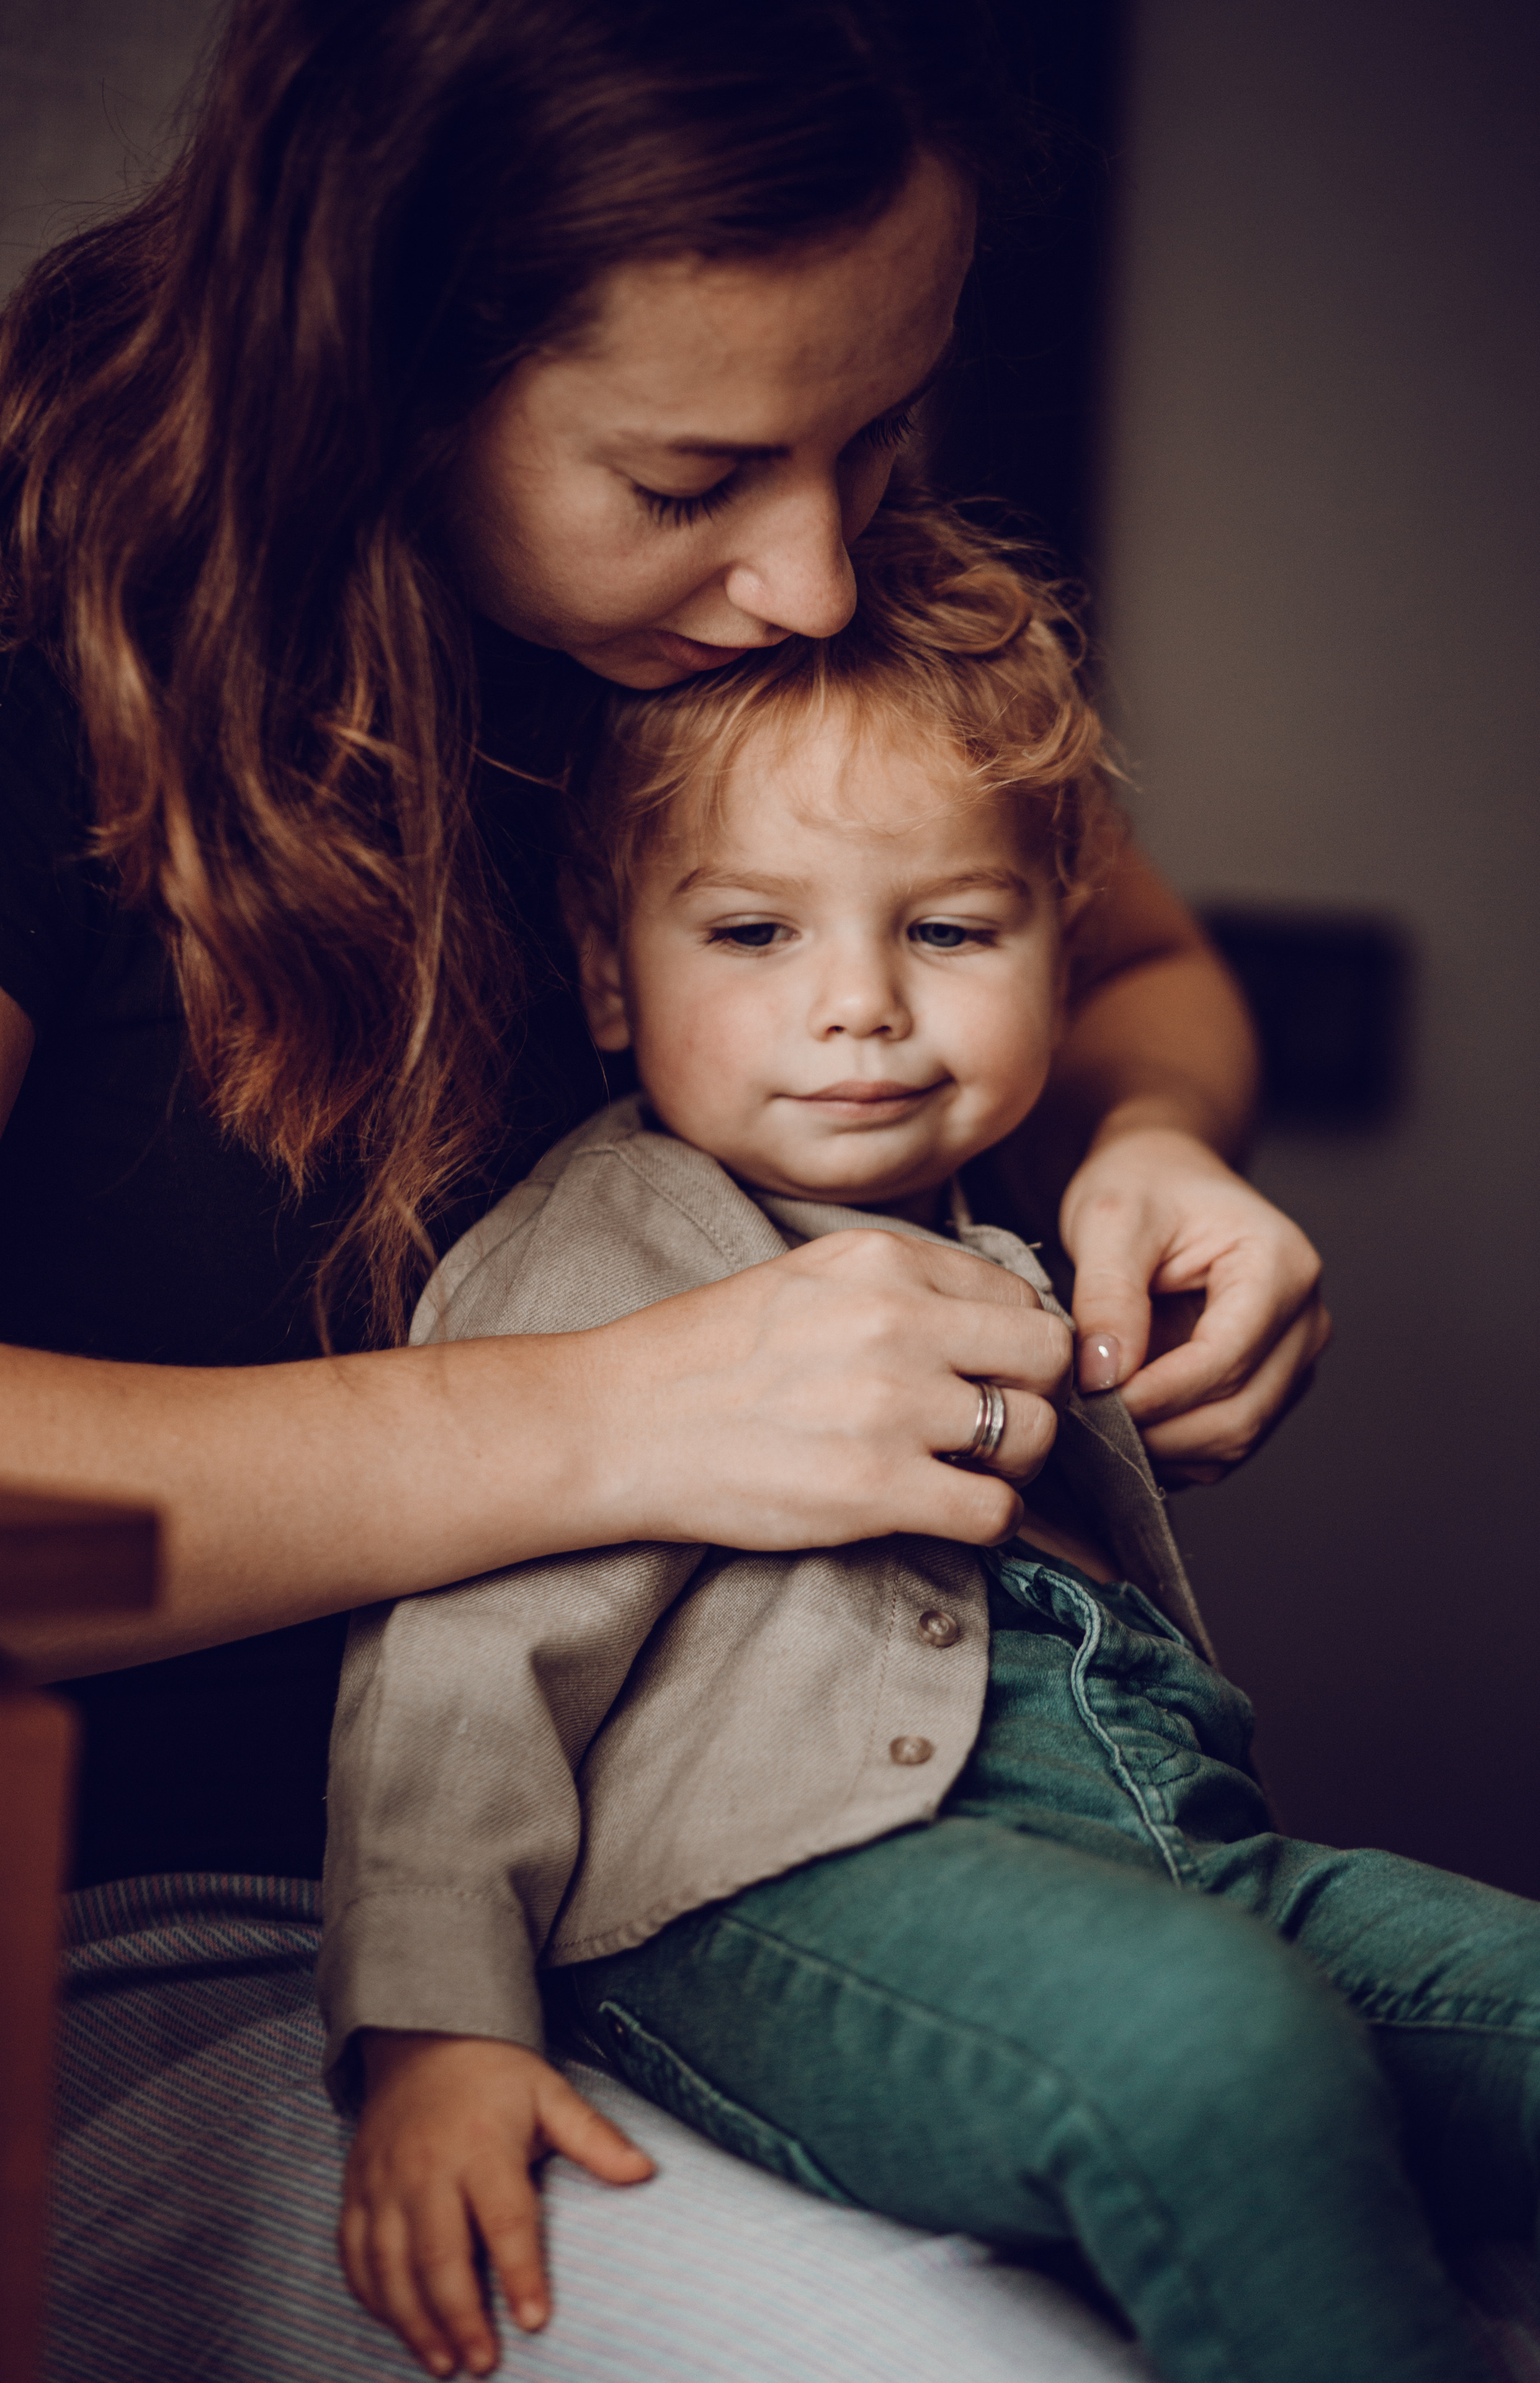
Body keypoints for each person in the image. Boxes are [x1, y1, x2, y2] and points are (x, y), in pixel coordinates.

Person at [0, 1, 1324, 2373]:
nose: (809, 576)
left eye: (880, 432)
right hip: (146, 1939)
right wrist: (606, 1421)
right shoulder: (3, 640)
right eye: (692, 480)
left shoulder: (737, 612)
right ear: (363, 376)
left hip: (755, 1869)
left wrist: (1170, 1146)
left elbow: (1145, 968)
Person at [325, 507, 1534, 2383]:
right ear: (605, 969)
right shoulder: (606, 1241)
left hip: (1177, 1860)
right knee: (1215, 2054)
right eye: (750, 930)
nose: (861, 1003)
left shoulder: (1022, 1245)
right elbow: (461, 1664)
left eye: (952, 929)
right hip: (772, 1900)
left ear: (1062, 951)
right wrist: (436, 2028)